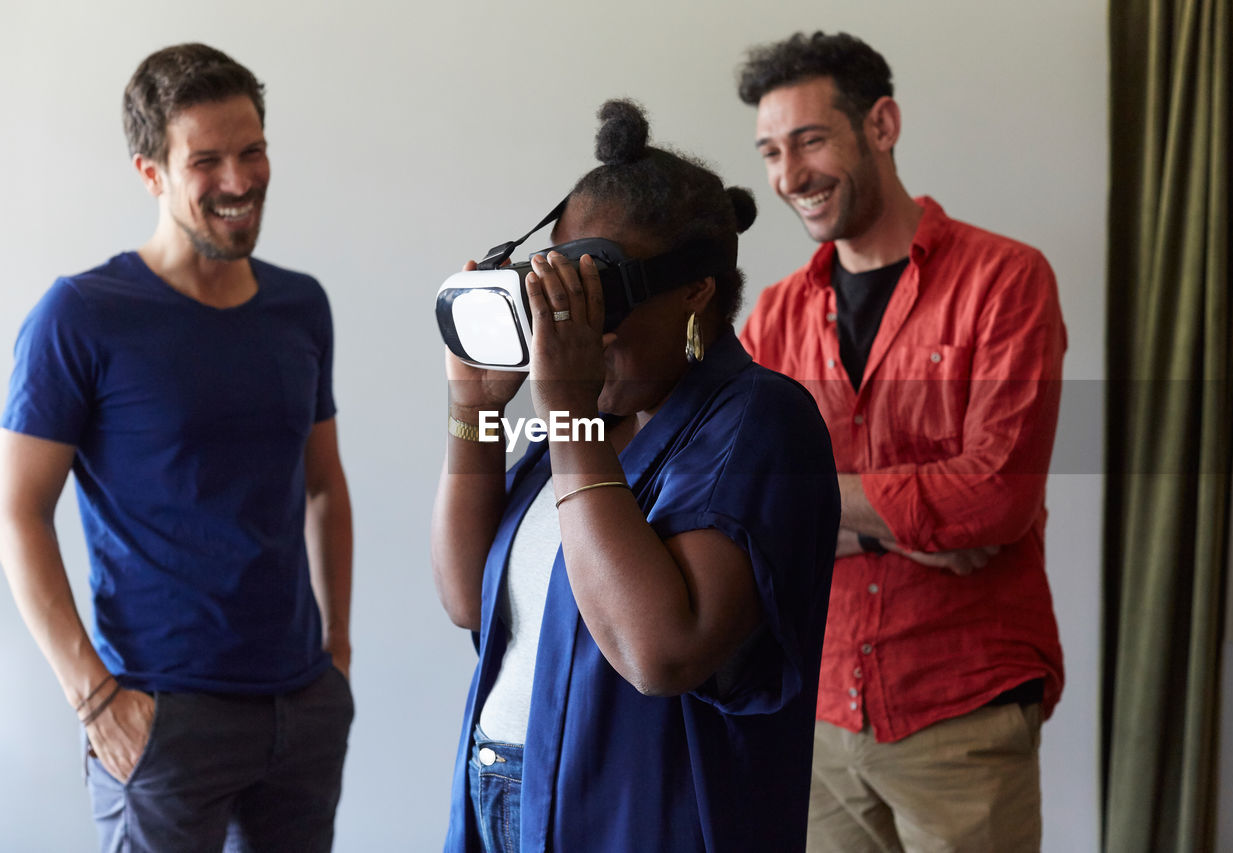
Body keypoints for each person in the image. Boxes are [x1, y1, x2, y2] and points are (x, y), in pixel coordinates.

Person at [431, 99, 840, 852]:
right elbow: (466, 599)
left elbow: (662, 650)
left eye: (601, 298)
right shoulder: (595, 422)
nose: (581, 331)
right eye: (560, 296)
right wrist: (477, 409)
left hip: (636, 821)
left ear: (695, 291)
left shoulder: (758, 421)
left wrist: (566, 416)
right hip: (500, 795)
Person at [0, 43, 353, 852]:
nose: (239, 180)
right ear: (151, 172)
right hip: (163, 718)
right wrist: (94, 700)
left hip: (301, 709)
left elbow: (324, 485)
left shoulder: (301, 307)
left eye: (252, 150)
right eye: (207, 160)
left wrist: (336, 657)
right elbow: (16, 510)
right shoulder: (81, 316)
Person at [736, 32, 1067, 853]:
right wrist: (916, 528)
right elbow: (736, 498)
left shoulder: (1007, 281)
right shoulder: (774, 317)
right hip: (816, 717)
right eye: (772, 151)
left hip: (964, 708)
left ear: (880, 124)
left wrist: (814, 509)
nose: (788, 176)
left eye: (810, 140)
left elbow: (995, 497)